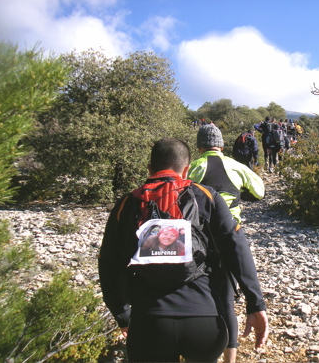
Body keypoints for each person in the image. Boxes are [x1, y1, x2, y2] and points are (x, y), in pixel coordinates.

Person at [99, 138, 268, 363]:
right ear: (187, 169)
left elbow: (109, 263)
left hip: (149, 321)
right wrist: (255, 303)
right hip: (205, 320)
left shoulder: (127, 203)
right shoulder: (207, 196)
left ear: (149, 168)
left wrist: (121, 314)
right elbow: (236, 245)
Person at [187, 125, 265, 363]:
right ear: (220, 145)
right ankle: (230, 358)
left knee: (198, 295)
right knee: (227, 300)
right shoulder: (237, 166)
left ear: (200, 146)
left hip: (200, 239)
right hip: (232, 236)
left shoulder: (195, 167)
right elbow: (259, 192)